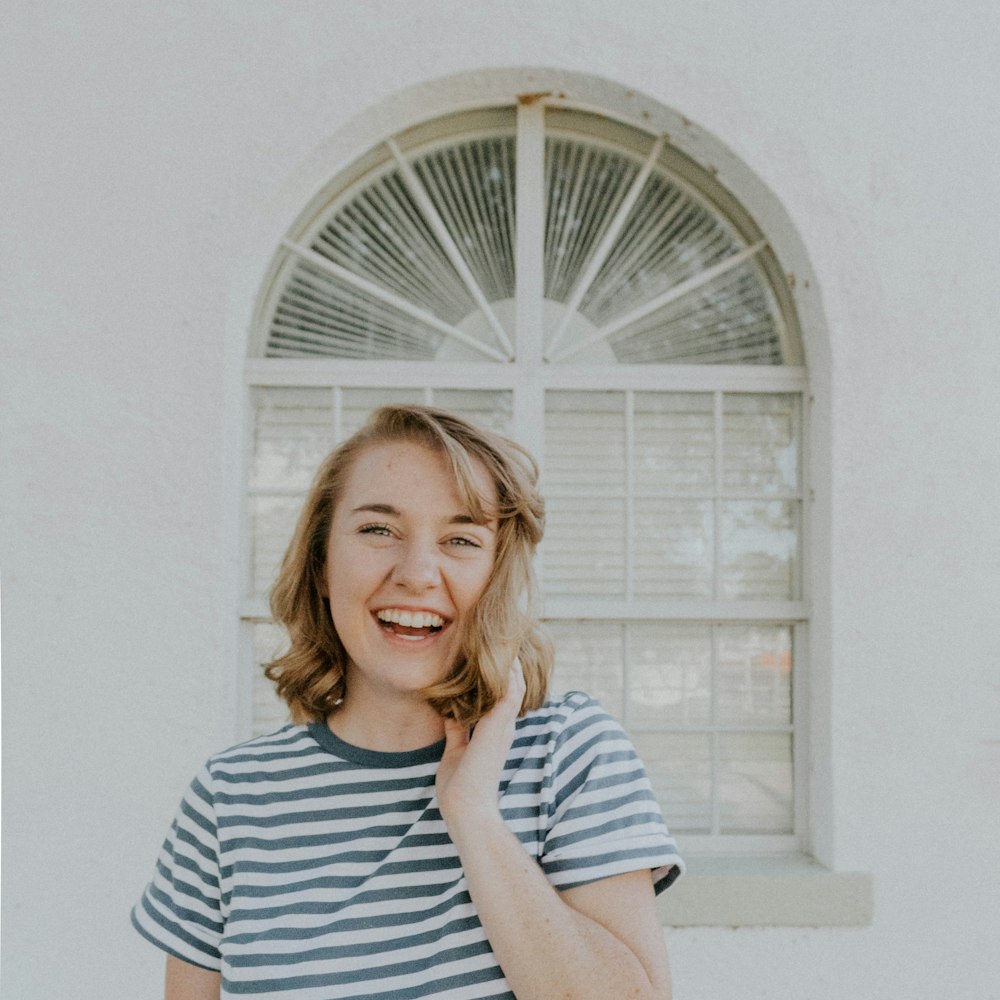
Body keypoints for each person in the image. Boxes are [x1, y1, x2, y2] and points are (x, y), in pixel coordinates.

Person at [132, 405, 683, 1000]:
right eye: (378, 530)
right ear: (321, 563)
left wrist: (473, 816)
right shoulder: (230, 798)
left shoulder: (567, 752)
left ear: (498, 575)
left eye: (461, 539)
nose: (418, 573)